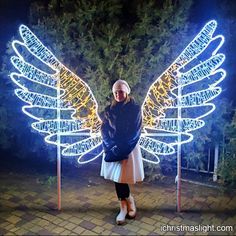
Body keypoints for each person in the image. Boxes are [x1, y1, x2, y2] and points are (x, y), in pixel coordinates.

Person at [100, 79, 144, 225]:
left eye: (121, 91)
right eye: (116, 92)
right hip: (112, 148)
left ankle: (128, 204)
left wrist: (122, 148)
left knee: (122, 178)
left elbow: (135, 132)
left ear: (126, 92)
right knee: (117, 178)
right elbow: (104, 129)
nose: (118, 94)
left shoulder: (135, 109)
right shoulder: (109, 110)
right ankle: (125, 206)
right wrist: (110, 146)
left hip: (128, 148)